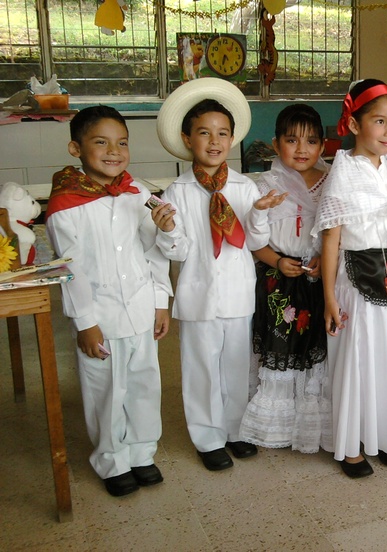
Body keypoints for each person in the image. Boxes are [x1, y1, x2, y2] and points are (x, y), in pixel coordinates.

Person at [45, 105, 173, 497]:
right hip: (100, 316)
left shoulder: (138, 194)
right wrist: (85, 322)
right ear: (75, 148)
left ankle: (141, 452)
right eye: (101, 142)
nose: (114, 151)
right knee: (106, 390)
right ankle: (111, 459)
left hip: (139, 309)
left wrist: (160, 300)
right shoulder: (66, 206)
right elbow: (70, 270)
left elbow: (153, 252)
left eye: (122, 143)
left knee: (144, 384)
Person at [153, 78, 276, 471]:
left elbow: (257, 240)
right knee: (202, 369)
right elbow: (180, 252)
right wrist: (169, 229)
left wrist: (258, 213)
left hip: (239, 294)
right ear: (188, 139)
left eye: (223, 133)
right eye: (204, 133)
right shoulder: (178, 193)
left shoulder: (244, 186)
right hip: (198, 295)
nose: (214, 141)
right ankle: (208, 438)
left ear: (233, 139)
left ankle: (236, 429)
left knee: (237, 365)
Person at [312, 79, 387, 478]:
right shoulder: (343, 170)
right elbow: (332, 239)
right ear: (355, 124)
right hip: (356, 279)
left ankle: (386, 435)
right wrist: (329, 297)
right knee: (359, 360)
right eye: (379, 122)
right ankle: (351, 446)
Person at [239, 104, 331, 453]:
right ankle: (276, 425)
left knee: (315, 350)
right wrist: (277, 261)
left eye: (311, 141)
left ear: (323, 146)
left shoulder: (332, 181)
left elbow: (338, 232)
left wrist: (325, 259)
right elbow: (254, 241)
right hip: (279, 275)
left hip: (319, 276)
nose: (302, 149)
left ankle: (313, 422)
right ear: (276, 145)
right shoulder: (265, 185)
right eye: (292, 140)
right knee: (282, 347)